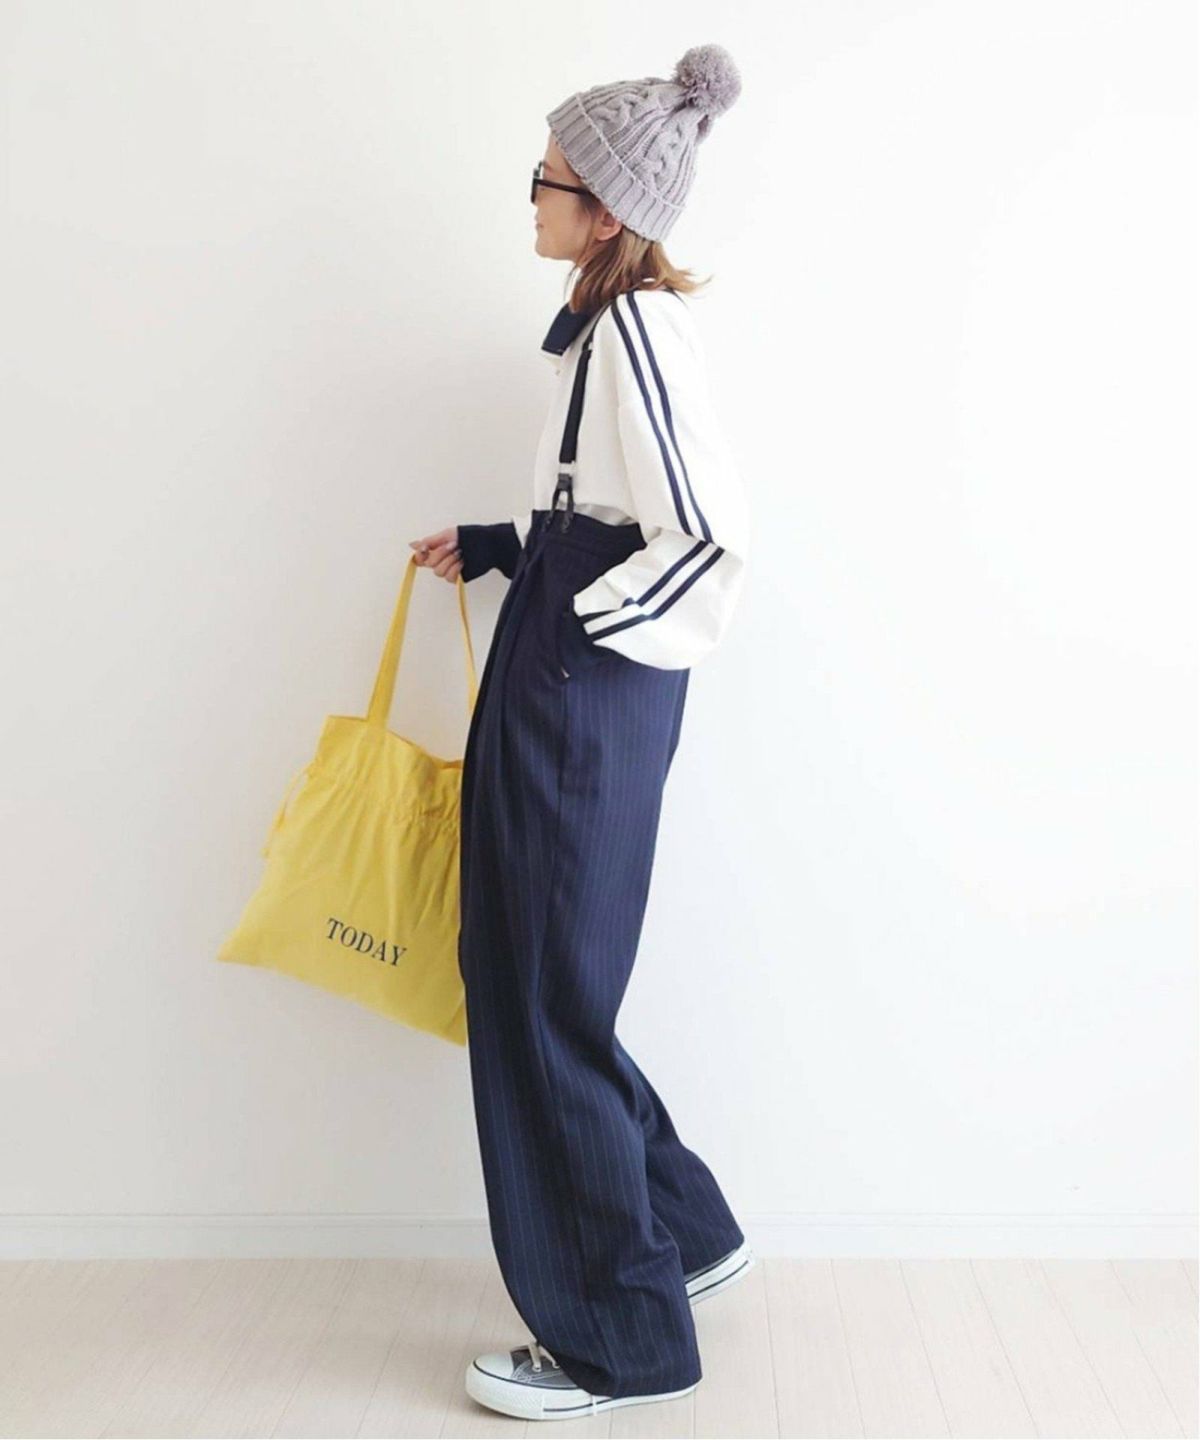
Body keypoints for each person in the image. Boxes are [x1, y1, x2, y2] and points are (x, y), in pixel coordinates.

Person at [409, 44, 755, 1423]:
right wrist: (516, 549)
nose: (533, 198)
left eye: (547, 180)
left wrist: (576, 625)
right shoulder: (601, 330)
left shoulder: (640, 332)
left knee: (542, 993)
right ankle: (687, 1230)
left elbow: (705, 541)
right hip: (563, 678)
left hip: (580, 692)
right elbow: (609, 505)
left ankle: (623, 1341)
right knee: (532, 976)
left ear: (604, 209)